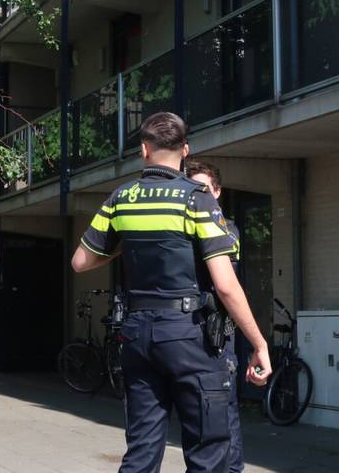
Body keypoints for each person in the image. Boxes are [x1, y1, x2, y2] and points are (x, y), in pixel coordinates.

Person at [71, 112, 270, 473]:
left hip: (137, 334)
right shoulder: (197, 199)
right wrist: (258, 343)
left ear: (144, 150)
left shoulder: (121, 198)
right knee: (208, 453)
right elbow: (226, 285)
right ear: (185, 150)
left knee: (142, 452)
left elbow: (80, 261)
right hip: (189, 335)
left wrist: (126, 239)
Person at [185, 159, 244, 473]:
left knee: (223, 409)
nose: (200, 197)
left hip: (217, 332)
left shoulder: (226, 231)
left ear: (218, 192)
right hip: (188, 331)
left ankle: (232, 469)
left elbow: (224, 283)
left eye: (205, 189)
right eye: (194, 190)